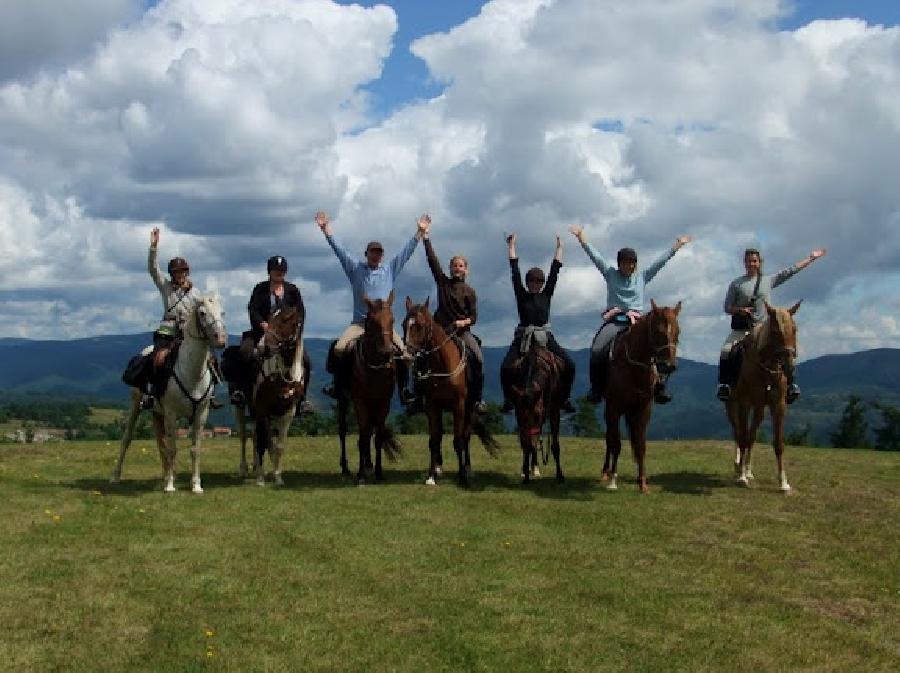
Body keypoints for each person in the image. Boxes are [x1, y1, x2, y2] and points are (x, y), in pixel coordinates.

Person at [569, 224, 692, 404]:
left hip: (638, 323)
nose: (629, 265)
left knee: (658, 346)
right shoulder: (610, 274)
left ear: (635, 264)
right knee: (596, 349)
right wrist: (582, 238)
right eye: (625, 262)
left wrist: (677, 246)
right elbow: (595, 257)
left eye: (631, 263)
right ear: (619, 264)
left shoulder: (642, 277)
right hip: (615, 322)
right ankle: (596, 388)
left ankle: (660, 387)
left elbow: (660, 263)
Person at [316, 210, 428, 405]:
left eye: (379, 253)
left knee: (405, 354)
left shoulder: (389, 270)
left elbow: (406, 253)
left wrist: (419, 233)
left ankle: (403, 390)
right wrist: (326, 230)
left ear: (382, 256)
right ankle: (338, 386)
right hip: (360, 323)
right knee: (340, 348)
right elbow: (340, 252)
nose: (376, 256)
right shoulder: (355, 269)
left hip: (384, 327)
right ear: (366, 254)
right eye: (372, 252)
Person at [717, 246, 826, 403]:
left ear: (759, 262)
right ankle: (725, 385)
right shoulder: (736, 284)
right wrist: (740, 310)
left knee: (785, 349)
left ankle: (791, 385)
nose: (751, 264)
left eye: (754, 261)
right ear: (744, 263)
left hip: (763, 327)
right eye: (748, 261)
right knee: (726, 351)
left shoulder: (768, 280)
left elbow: (790, 271)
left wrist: (811, 258)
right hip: (742, 328)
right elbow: (727, 307)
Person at [143, 227, 223, 409]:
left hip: (189, 333)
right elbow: (153, 270)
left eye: (182, 272)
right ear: (172, 274)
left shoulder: (196, 293)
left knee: (211, 359)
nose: (179, 275)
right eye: (176, 273)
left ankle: (211, 395)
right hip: (168, 331)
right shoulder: (166, 287)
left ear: (186, 273)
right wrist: (153, 248)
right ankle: (151, 392)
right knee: (158, 358)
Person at [500, 232, 576, 414]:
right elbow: (515, 271)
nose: (536, 283)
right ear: (527, 282)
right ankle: (508, 400)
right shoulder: (522, 294)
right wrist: (511, 247)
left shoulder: (546, 294)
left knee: (570, 364)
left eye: (539, 281)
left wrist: (560, 248)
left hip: (544, 335)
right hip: (524, 335)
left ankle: (564, 398)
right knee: (505, 367)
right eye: (532, 280)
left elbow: (554, 272)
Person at [229, 255, 312, 411]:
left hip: (286, 336)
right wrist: (262, 324)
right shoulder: (260, 289)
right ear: (269, 272)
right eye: (275, 270)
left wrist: (295, 330)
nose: (278, 273)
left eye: (281, 271)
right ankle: (240, 390)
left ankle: (302, 399)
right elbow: (252, 309)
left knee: (306, 361)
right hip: (261, 332)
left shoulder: (292, 290)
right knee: (245, 352)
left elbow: (300, 312)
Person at [419, 219, 485, 412]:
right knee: (421, 356)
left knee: (479, 359)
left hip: (462, 332)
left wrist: (465, 321)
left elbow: (474, 317)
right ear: (450, 269)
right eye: (454, 265)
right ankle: (417, 395)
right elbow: (432, 261)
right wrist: (426, 237)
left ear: (466, 270)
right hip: (441, 331)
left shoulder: (470, 292)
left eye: (461, 266)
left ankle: (478, 399)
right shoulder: (443, 284)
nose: (457, 268)